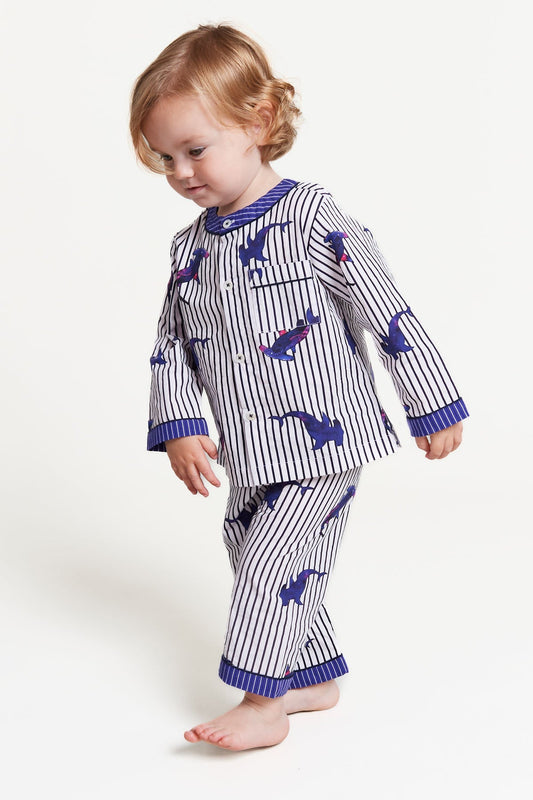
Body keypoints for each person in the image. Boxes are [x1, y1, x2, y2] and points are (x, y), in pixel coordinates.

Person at [129, 23, 468, 752]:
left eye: (195, 150)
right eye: (164, 158)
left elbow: (383, 306)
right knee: (247, 544)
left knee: (270, 561)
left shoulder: (311, 216)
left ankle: (262, 703)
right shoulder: (189, 249)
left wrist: (430, 400)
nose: (181, 172)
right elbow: (171, 344)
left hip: (325, 441)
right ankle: (309, 674)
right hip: (249, 448)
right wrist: (179, 424)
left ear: (258, 122)